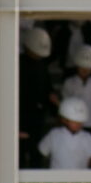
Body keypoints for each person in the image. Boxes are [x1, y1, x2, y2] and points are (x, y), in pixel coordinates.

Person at [18, 25, 57, 169]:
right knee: (19, 151)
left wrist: (54, 106)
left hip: (37, 116)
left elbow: (47, 88)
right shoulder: (18, 64)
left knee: (36, 151)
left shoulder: (42, 66)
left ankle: (34, 178)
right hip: (21, 114)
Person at [61, 44, 91, 139]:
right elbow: (65, 103)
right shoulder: (69, 83)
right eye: (82, 67)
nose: (85, 70)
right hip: (75, 123)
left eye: (88, 68)